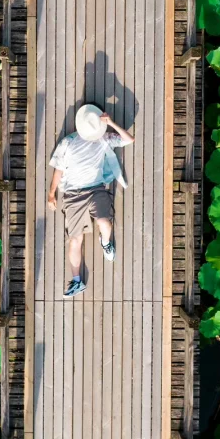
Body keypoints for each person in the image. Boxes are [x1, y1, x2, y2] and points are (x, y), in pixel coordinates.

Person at [47, 103, 134, 299]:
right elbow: (59, 170)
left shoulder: (104, 139)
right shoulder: (68, 143)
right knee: (75, 240)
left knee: (104, 222)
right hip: (72, 195)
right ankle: (77, 281)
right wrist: (51, 194)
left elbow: (129, 139)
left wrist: (111, 123)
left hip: (96, 189)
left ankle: (106, 243)